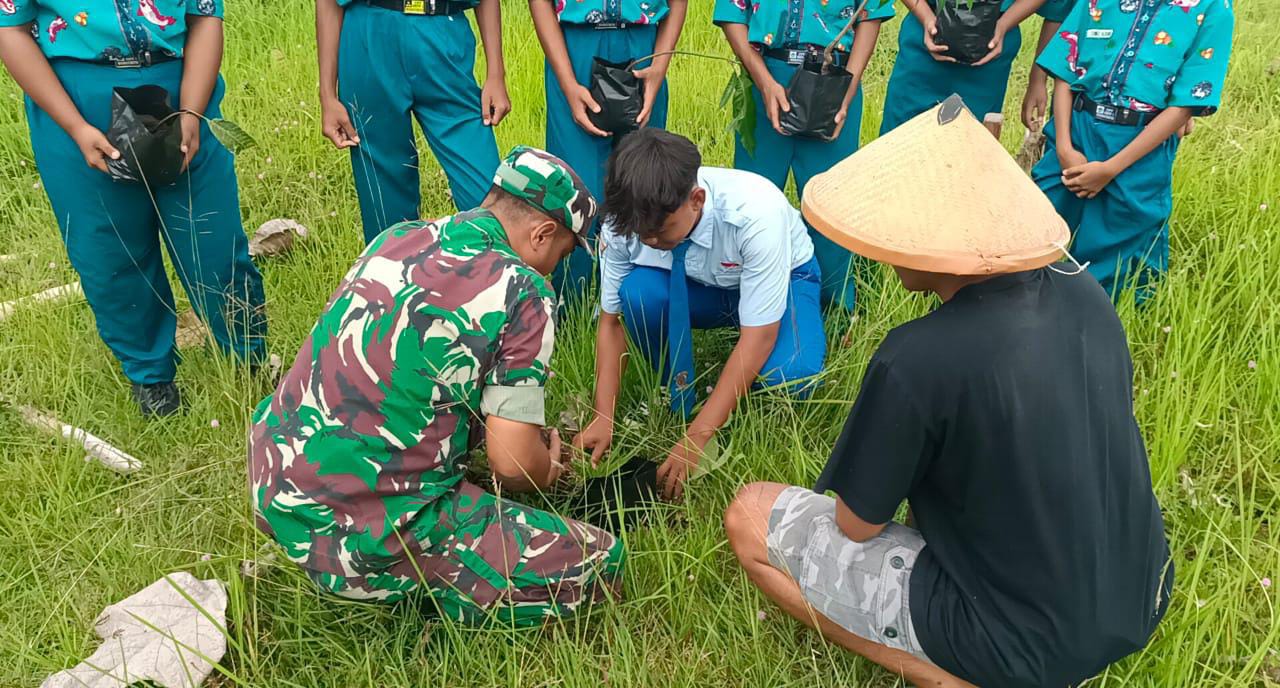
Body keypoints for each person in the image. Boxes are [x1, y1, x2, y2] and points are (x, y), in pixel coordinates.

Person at [724, 97, 1174, 688]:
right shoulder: (1081, 288)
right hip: (1140, 592)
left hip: (1018, 641)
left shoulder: (916, 355)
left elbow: (857, 526)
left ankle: (951, 672)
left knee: (750, 516)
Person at [249, 147, 623, 627]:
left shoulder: (401, 236)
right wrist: (545, 468)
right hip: (354, 531)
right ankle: (409, 587)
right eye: (563, 252)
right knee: (602, 562)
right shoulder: (524, 290)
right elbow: (511, 466)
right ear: (543, 232)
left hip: (272, 480)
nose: (555, 265)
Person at [0, 0, 267, 417]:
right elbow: (10, 27)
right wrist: (75, 126)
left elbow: (205, 15)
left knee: (211, 237)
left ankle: (249, 359)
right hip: (76, 95)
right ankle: (151, 378)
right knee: (110, 250)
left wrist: (193, 113)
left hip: (179, 84)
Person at [574, 129, 826, 501]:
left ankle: (733, 399)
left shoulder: (756, 214)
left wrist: (698, 436)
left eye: (660, 233)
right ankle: (672, 384)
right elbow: (610, 322)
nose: (649, 242)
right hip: (699, 285)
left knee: (794, 375)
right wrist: (603, 415)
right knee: (638, 294)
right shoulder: (627, 220)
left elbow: (759, 335)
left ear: (696, 199)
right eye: (641, 234)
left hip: (785, 280)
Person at [1030, 0, 1234, 301]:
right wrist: (1063, 146)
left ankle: (1101, 322)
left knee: (1120, 245)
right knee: (1036, 224)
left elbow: (1184, 105)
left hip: (1141, 142)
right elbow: (1066, 68)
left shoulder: (1213, 8)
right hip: (1078, 128)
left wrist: (1111, 168)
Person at [712, 0, 892, 310]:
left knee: (832, 204)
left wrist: (845, 95)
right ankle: (745, 309)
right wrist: (764, 82)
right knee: (752, 203)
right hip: (766, 74)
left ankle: (835, 310)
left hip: (833, 77)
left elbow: (871, 14)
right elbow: (732, 12)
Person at [529, 0, 688, 297]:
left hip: (643, 48)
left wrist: (660, 66)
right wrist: (566, 82)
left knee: (644, 183)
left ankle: (639, 304)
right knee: (576, 193)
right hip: (575, 48)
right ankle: (573, 303)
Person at [317, 0, 510, 245]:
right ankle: (395, 278)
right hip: (369, 32)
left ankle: (495, 276)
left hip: (443, 34)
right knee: (386, 205)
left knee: (487, 198)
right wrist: (327, 94)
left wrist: (496, 72)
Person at [879, 0, 1046, 135]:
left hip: (989, 45)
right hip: (924, 36)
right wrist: (926, 18)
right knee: (898, 143)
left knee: (970, 148)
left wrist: (1004, 25)